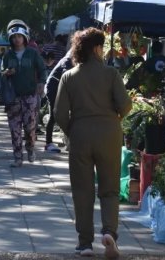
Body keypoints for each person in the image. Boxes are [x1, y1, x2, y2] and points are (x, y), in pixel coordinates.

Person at [54, 28, 132, 258]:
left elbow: (59, 112)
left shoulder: (69, 76)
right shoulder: (111, 74)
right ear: (97, 48)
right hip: (109, 134)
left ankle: (84, 243)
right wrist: (114, 119)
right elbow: (126, 105)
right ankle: (109, 232)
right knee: (109, 189)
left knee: (82, 190)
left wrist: (72, 131)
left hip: (80, 135)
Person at [1, 19, 47, 168]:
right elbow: (2, 71)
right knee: (14, 128)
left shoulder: (32, 53)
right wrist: (7, 72)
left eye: (19, 37)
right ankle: (18, 157)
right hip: (13, 97)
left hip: (30, 96)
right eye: (14, 37)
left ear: (25, 37)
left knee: (30, 127)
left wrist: (41, 83)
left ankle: (30, 147)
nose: (16, 40)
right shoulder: (8, 55)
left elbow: (42, 69)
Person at [43, 49, 74, 153]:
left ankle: (70, 142)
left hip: (60, 89)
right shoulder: (67, 60)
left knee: (63, 115)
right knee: (54, 115)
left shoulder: (72, 60)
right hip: (53, 88)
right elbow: (67, 75)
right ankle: (48, 143)